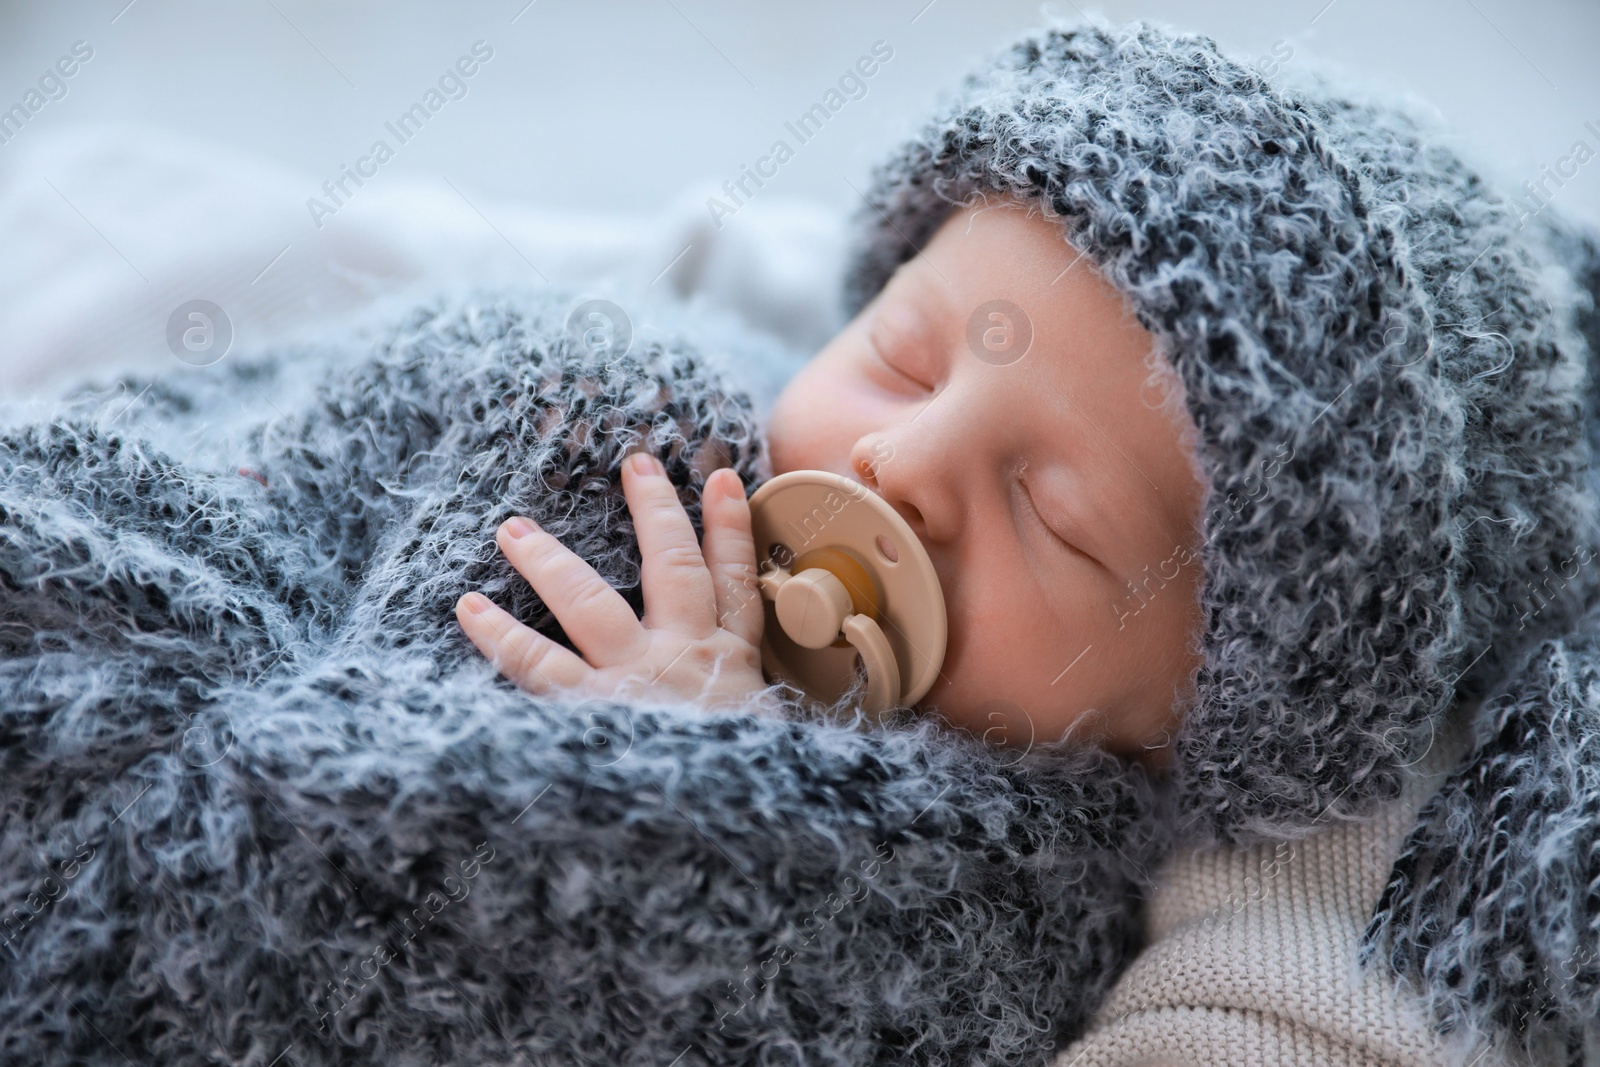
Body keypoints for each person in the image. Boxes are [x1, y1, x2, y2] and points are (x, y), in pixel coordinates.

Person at [458, 18, 1600, 1067]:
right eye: (902, 359)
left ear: (1215, 714)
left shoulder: (1307, 883)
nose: (898, 463)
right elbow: (670, 257)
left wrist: (723, 797)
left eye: (1054, 516)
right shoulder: (794, 335)